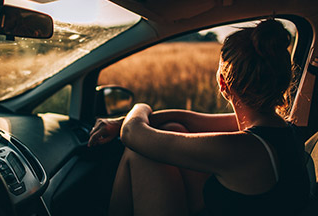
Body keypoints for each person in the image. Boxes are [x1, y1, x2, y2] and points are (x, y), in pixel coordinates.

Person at [88, 19, 310, 216]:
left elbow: (132, 135)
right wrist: (119, 122)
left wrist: (140, 106)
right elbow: (188, 120)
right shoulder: (274, 129)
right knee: (173, 126)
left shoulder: (244, 149)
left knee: (141, 154)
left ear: (223, 83)